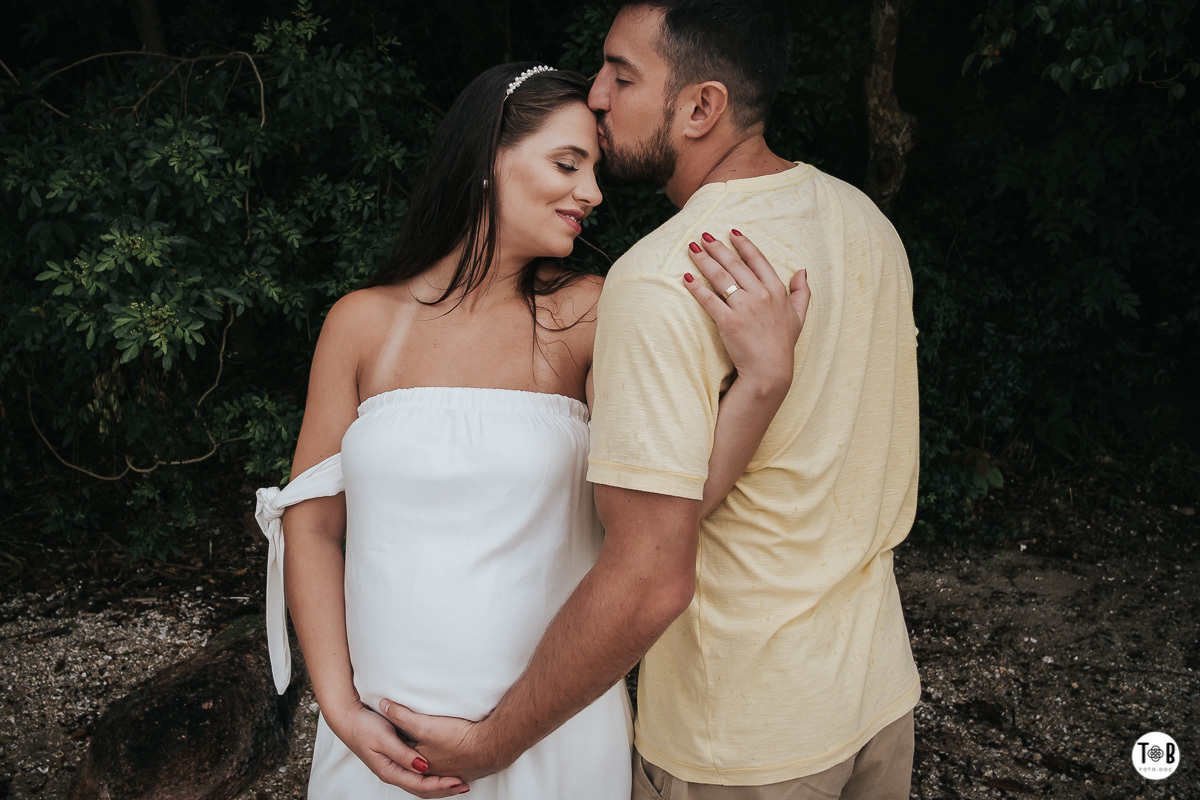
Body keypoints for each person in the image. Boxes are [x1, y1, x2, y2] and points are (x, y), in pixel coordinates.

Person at [379, 2, 922, 799]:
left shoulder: (666, 276)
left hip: (738, 741)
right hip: (879, 699)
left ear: (702, 106)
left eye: (621, 75)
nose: (596, 95)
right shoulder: (864, 223)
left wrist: (493, 743)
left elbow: (646, 576)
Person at [254, 61, 809, 799]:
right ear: (487, 159)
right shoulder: (362, 324)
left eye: (595, 169)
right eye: (566, 163)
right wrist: (341, 709)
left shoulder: (592, 315)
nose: (593, 193)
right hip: (381, 746)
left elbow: (670, 514)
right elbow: (314, 527)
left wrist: (766, 382)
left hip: (549, 740)